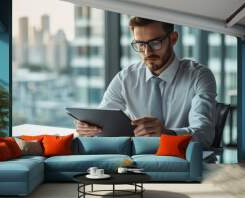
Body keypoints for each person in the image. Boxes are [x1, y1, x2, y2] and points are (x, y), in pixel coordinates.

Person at [76, 17, 217, 147]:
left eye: (155, 43)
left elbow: (204, 134)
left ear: (173, 39)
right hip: (137, 163)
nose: (147, 52)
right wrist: (89, 127)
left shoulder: (199, 76)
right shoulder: (126, 78)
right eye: (140, 44)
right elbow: (103, 120)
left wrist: (167, 134)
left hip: (184, 160)